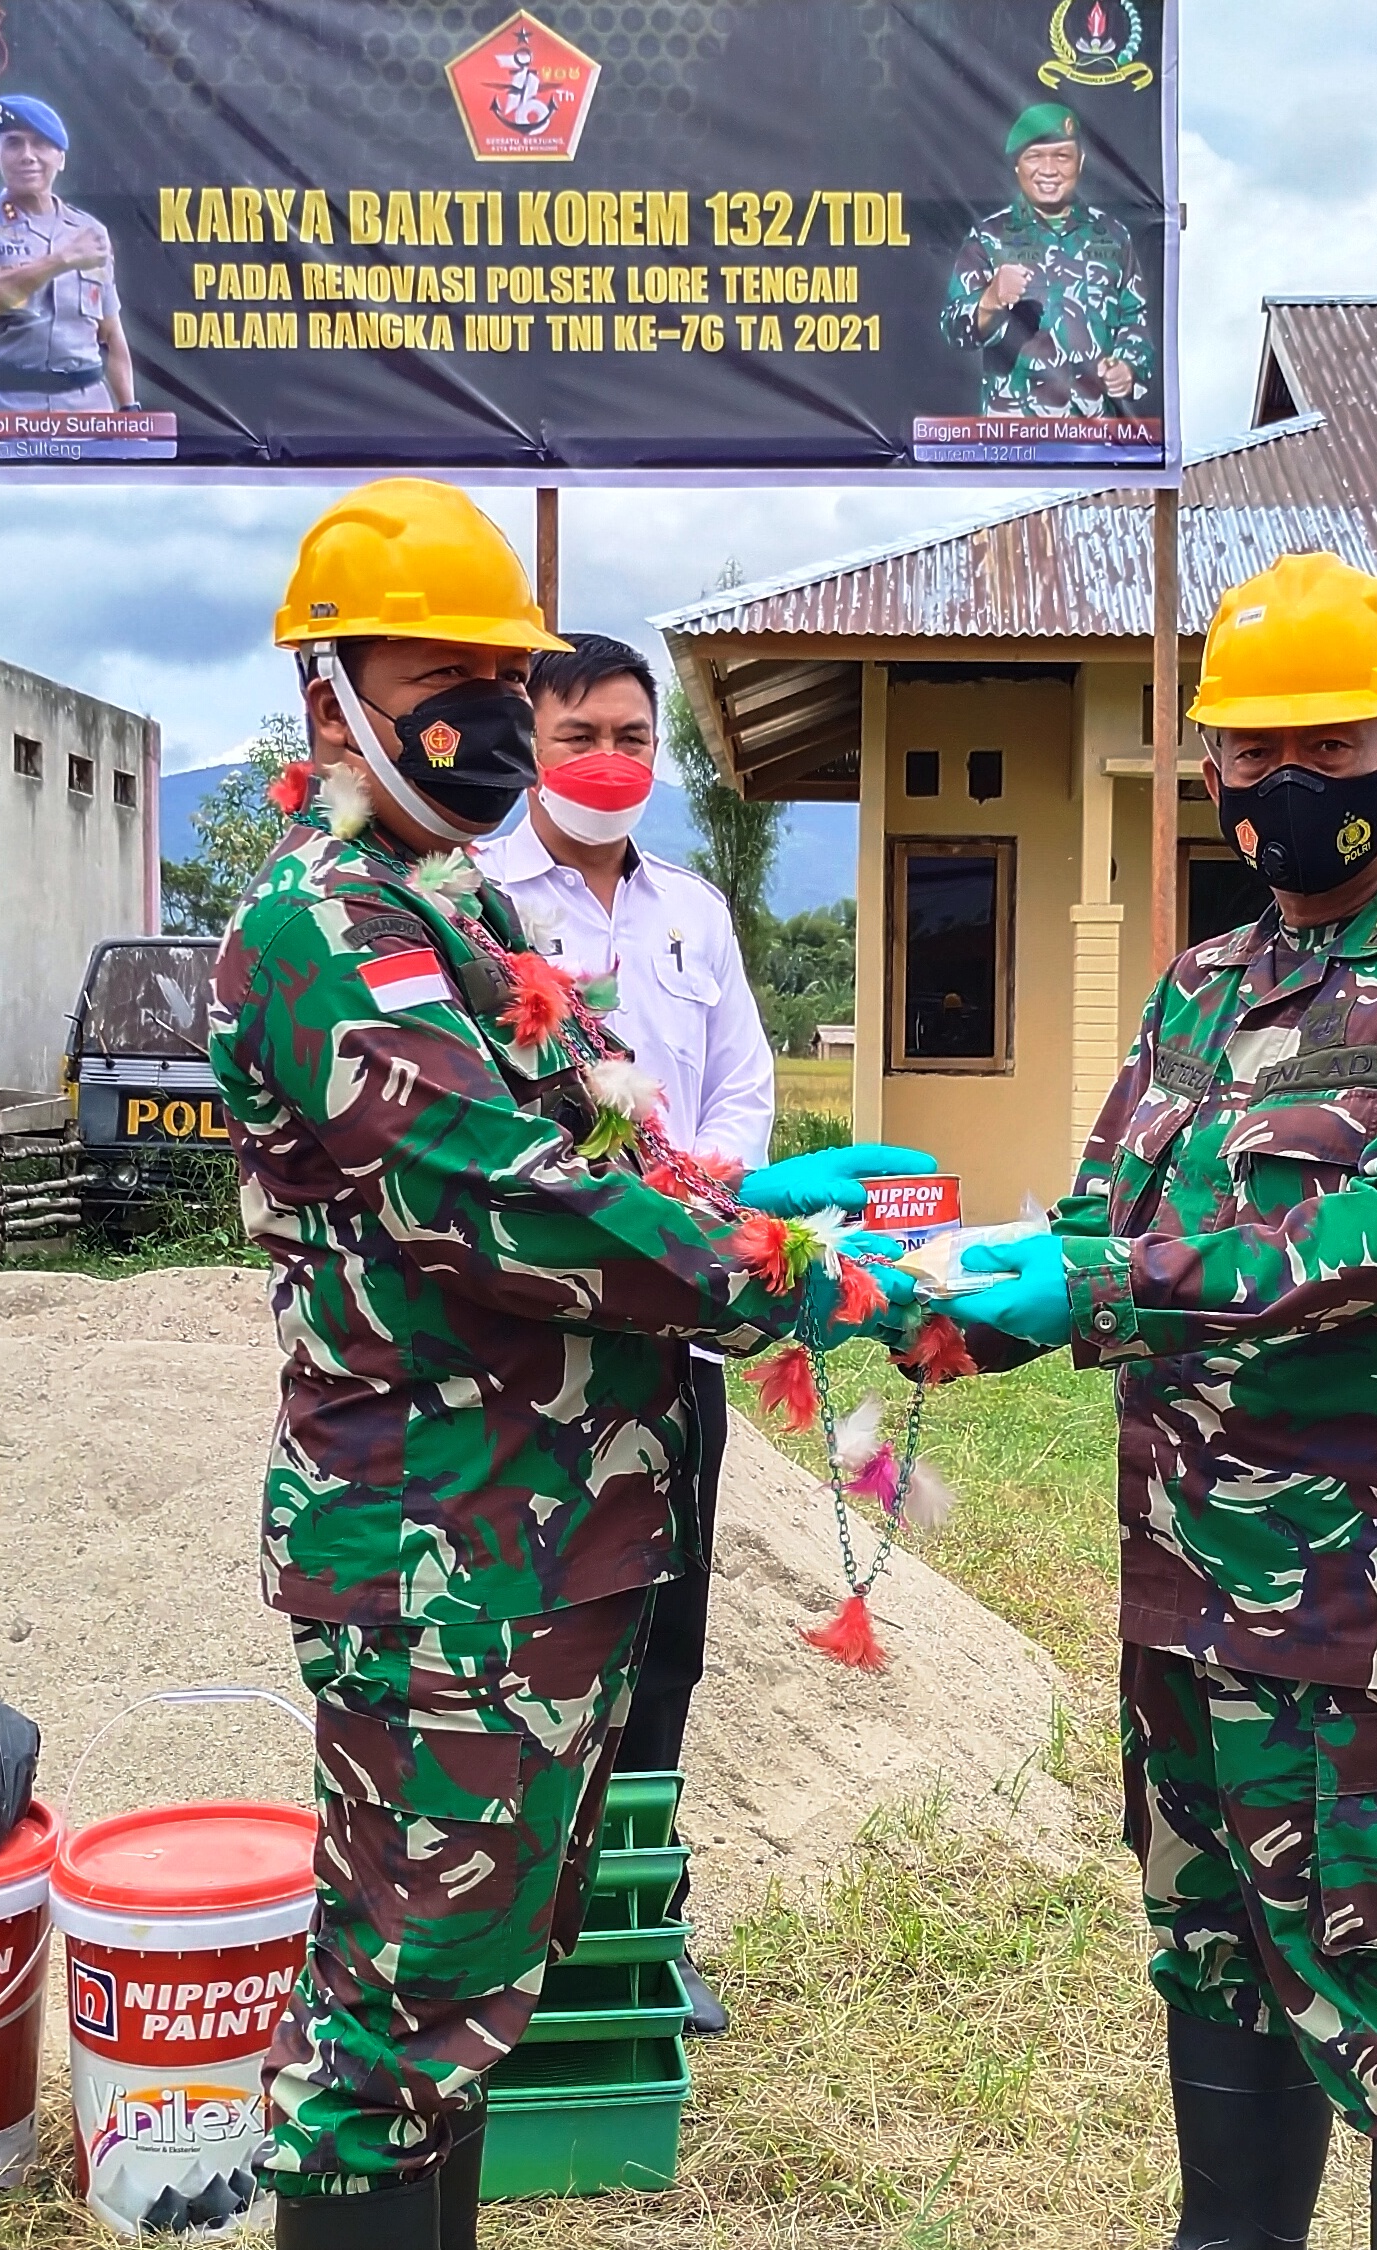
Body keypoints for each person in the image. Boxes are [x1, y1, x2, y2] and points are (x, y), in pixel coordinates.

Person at [208, 478, 926, 2247]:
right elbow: (502, 1201)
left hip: (553, 1543)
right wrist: (786, 1275)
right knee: (397, 2026)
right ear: (330, 700)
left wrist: (742, 1198)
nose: (479, 714)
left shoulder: (461, 909)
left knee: (475, 2002)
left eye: (495, 678)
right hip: (443, 1553)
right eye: (434, 678)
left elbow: (614, 1138)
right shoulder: (325, 927)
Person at [947, 554, 1377, 2250]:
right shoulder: (1199, 986)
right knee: (1213, 1956)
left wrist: (1099, 1285)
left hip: (1360, 1602)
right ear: (1209, 767)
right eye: (1255, 750)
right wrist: (945, 1298)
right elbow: (1097, 1220)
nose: (1290, 781)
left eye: (1329, 746)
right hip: (1178, 1586)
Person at [480, 631, 773, 2038]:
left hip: (677, 1343)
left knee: (665, 1642)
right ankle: (505, 1940)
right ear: (526, 744)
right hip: (534, 1358)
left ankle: (642, 1930)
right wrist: (625, 1207)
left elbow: (743, 1086)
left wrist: (700, 1190)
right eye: (578, 734)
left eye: (633, 736)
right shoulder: (474, 906)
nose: (609, 761)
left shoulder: (691, 913)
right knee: (528, 1642)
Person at [939, 102, 1153, 419]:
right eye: (1035, 157)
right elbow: (953, 328)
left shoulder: (1112, 236)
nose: (1049, 170)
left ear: (1080, 162)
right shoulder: (988, 237)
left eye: (1062, 156)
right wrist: (990, 299)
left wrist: (1129, 367)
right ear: (1017, 165)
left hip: (1096, 435)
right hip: (1013, 434)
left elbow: (1136, 318)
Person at [0, 94, 136, 413]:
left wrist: (129, 411)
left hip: (88, 410)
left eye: (41, 144)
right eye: (14, 144)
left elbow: (111, 334)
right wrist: (60, 261)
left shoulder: (90, 231)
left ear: (61, 158)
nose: (28, 156)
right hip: (6, 409)